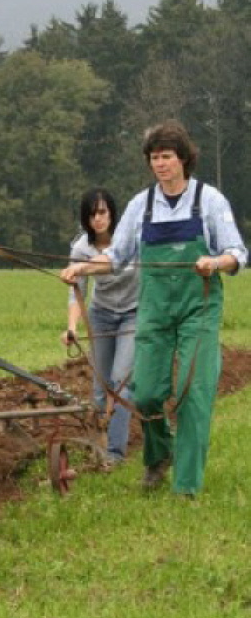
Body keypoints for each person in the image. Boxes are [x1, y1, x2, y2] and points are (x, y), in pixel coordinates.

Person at [61, 120, 248, 496]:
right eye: (154, 158)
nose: (160, 164)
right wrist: (83, 267)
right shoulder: (141, 205)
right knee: (144, 392)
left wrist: (215, 262)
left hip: (199, 309)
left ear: (183, 159)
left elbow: (237, 253)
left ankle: (186, 488)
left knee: (193, 393)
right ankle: (159, 454)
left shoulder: (208, 200)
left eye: (166, 156)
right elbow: (116, 257)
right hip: (155, 310)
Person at [61, 188, 138, 465]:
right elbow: (76, 291)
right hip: (102, 314)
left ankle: (115, 454)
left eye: (102, 212)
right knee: (99, 386)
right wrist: (72, 327)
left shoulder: (128, 241)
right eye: (91, 214)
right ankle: (97, 450)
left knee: (120, 382)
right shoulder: (81, 248)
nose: (97, 219)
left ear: (112, 213)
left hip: (133, 313)